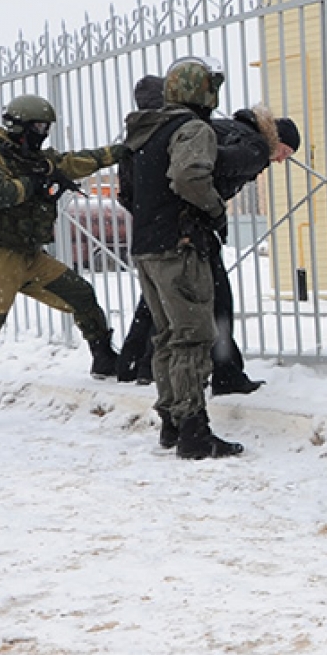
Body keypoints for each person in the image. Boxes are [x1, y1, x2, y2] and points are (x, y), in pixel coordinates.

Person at [0, 94, 125, 433]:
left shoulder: (34, 159)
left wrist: (118, 153)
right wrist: (36, 184)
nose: (43, 133)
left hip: (30, 256)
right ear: (19, 126)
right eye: (38, 127)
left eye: (46, 127)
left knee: (81, 295)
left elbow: (74, 162)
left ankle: (104, 357)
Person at [114, 75, 300, 394]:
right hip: (187, 228)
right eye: (286, 150)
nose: (283, 159)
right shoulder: (254, 147)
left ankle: (136, 363)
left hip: (156, 225)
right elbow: (200, 166)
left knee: (161, 299)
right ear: (276, 138)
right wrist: (212, 210)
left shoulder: (166, 131)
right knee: (214, 302)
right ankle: (223, 377)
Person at [123, 56, 245, 460]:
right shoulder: (192, 129)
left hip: (146, 246)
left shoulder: (145, 131)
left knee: (166, 336)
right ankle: (195, 431)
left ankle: (172, 422)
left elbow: (129, 190)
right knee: (193, 334)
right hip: (180, 245)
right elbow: (189, 176)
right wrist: (213, 209)